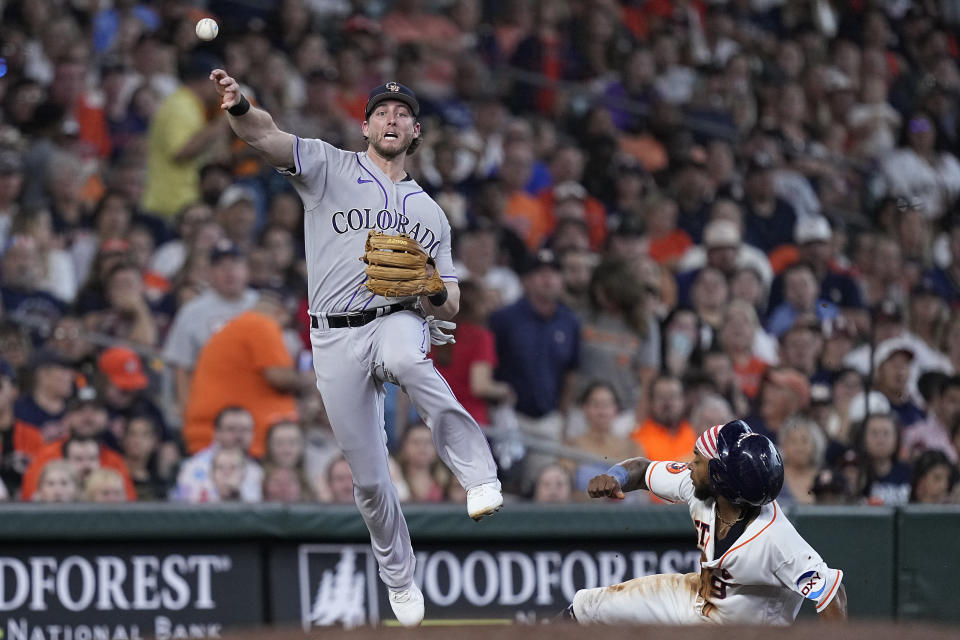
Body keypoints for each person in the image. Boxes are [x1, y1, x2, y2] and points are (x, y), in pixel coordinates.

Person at [210, 69, 501, 626]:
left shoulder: (429, 213)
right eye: (381, 111)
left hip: (394, 319)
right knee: (369, 481)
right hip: (333, 334)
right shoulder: (327, 166)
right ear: (365, 124)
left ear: (416, 131)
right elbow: (265, 137)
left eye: (402, 113)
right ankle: (400, 578)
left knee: (406, 357)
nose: (391, 118)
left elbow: (452, 305)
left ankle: (479, 475)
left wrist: (432, 287)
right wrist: (240, 106)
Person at [567, 419, 847, 625]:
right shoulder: (699, 485)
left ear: (720, 478)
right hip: (696, 600)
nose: (690, 465)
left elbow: (832, 594)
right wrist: (616, 477)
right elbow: (642, 468)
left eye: (698, 460)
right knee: (587, 606)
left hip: (743, 632)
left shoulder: (775, 539)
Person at [182, 288, 310, 457]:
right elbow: (280, 377)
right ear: (280, 312)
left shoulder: (239, 325)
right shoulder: (260, 323)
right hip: (233, 440)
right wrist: (311, 380)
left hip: (219, 434)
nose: (284, 332)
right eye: (287, 324)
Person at [171, 406, 264, 503]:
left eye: (245, 429)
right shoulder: (194, 467)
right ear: (216, 433)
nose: (238, 436)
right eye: (231, 429)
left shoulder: (257, 470)